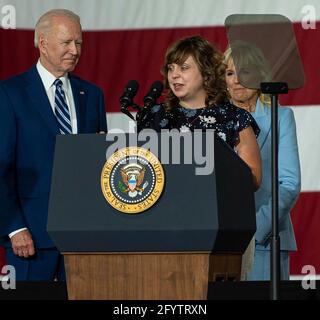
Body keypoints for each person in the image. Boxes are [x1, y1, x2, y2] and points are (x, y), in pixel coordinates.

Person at [0, 9, 107, 281]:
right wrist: (14, 228)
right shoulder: (9, 94)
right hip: (31, 237)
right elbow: (2, 167)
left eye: (79, 43)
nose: (75, 50)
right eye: (67, 42)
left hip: (84, 236)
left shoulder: (92, 95)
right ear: (42, 42)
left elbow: (99, 163)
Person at [137, 35, 262, 190]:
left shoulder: (235, 118)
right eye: (171, 68)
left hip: (214, 209)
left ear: (206, 72)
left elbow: (254, 179)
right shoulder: (154, 115)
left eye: (183, 67)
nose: (174, 75)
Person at [224, 43, 301, 280]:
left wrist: (255, 229)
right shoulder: (212, 118)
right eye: (229, 73)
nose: (236, 80)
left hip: (264, 240)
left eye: (245, 72)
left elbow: (289, 183)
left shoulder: (281, 116)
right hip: (220, 240)